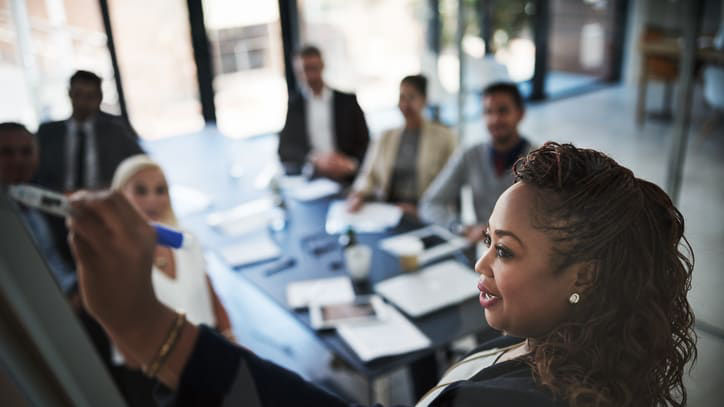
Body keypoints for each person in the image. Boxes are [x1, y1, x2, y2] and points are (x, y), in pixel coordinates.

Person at [67, 142, 696, 406]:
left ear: (580, 274)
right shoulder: (569, 353)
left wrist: (150, 330)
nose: (480, 262)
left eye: (504, 251)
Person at [108, 154, 233, 406]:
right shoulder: (114, 258)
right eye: (140, 191)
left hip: (205, 353)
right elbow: (124, 346)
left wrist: (231, 341)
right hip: (156, 375)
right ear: (120, 196)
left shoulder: (186, 240)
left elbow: (209, 291)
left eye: (160, 190)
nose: (152, 200)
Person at [420, 82, 534, 243]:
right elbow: (430, 204)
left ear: (520, 114)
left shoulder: (539, 162)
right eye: (488, 112)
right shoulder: (470, 155)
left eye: (503, 111)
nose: (495, 119)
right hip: (482, 251)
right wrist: (460, 227)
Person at [347, 75, 456, 217]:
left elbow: (450, 187)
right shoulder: (386, 136)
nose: (405, 104)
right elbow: (368, 174)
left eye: (411, 97)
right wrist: (358, 195)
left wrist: (420, 211)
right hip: (389, 209)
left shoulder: (444, 137)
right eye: (402, 98)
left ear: (424, 100)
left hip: (423, 212)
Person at [34, 70, 144, 192]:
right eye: (78, 94)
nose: (82, 102)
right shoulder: (48, 133)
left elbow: (141, 164)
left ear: (99, 98)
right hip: (57, 201)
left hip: (104, 200)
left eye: (89, 96)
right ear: (70, 94)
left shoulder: (116, 131)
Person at [0, 122, 76, 294]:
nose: (18, 160)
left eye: (26, 152)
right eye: (6, 153)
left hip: (75, 289)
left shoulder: (49, 196)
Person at [278, 45, 370, 182]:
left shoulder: (348, 101)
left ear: (322, 66)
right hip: (314, 178)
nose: (310, 76)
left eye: (313, 68)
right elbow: (285, 149)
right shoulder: (295, 105)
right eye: (304, 70)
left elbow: (366, 143)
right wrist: (314, 159)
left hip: (347, 176)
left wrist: (352, 164)